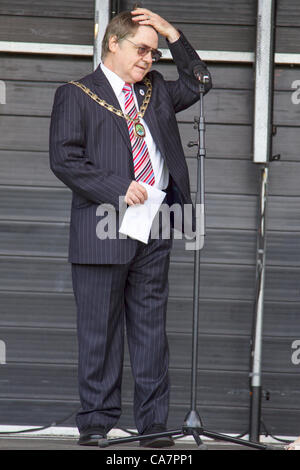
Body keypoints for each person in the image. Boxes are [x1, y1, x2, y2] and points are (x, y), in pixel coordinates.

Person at [49, 7, 211, 447]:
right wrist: (119, 187)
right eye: (142, 49)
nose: (147, 59)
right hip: (104, 224)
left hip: (157, 224)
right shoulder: (76, 94)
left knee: (151, 332)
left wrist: (172, 33)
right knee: (99, 333)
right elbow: (65, 160)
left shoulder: (154, 90)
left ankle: (155, 427)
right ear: (112, 44)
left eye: (153, 53)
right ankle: (97, 426)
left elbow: (200, 82)